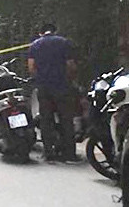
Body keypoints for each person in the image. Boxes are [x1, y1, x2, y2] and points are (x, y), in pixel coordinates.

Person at [28, 23, 79, 162]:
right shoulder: (64, 42)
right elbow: (70, 65)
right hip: (62, 86)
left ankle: (48, 153)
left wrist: (39, 78)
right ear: (55, 31)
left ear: (41, 33)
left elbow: (31, 67)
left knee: (46, 120)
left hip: (44, 87)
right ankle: (70, 154)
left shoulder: (35, 45)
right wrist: (69, 79)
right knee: (66, 120)